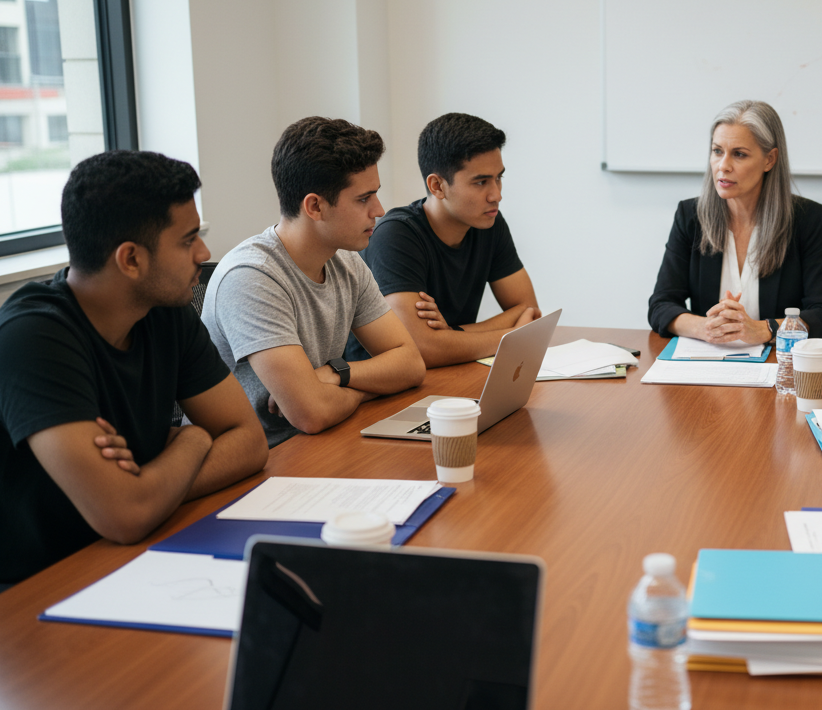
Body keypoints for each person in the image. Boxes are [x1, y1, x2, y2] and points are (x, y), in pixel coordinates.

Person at [0, 151, 268, 586]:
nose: (204, 251)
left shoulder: (163, 308)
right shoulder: (32, 338)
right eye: (187, 240)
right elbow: (126, 516)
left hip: (129, 556)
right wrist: (196, 439)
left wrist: (152, 482)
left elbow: (250, 443)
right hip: (37, 589)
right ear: (130, 260)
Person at [203, 117, 425, 448]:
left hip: (321, 441)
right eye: (364, 198)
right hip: (260, 461)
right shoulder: (251, 278)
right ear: (315, 206)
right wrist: (360, 387)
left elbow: (410, 364)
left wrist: (336, 375)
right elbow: (312, 414)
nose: (378, 210)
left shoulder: (346, 260)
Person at [347, 113, 539, 367]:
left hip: (454, 371)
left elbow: (530, 312)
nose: (496, 195)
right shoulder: (395, 235)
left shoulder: (488, 222)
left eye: (498, 178)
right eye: (481, 182)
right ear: (437, 186)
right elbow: (422, 349)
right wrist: (508, 336)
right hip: (380, 389)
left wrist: (451, 334)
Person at [648, 100, 822, 343]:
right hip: (707, 365)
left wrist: (765, 330)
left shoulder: (805, 219)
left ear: (769, 160)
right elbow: (661, 305)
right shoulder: (691, 215)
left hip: (779, 365)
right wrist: (703, 327)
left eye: (739, 154)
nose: (723, 166)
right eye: (717, 151)